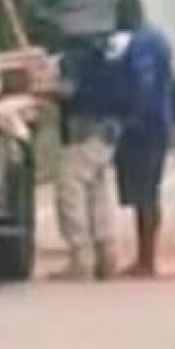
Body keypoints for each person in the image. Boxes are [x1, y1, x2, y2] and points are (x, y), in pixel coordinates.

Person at [50, 30, 130, 281]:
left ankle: (81, 257)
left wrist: (45, 89)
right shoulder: (105, 54)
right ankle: (107, 255)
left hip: (82, 134)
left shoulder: (72, 58)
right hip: (107, 133)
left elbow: (68, 90)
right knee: (98, 193)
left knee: (70, 192)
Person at [113, 0, 175, 278]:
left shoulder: (141, 44)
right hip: (159, 123)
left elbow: (145, 86)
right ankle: (146, 256)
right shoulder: (157, 37)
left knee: (145, 194)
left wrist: (131, 120)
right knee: (149, 193)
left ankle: (146, 259)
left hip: (145, 127)